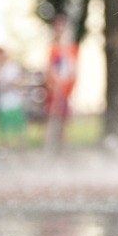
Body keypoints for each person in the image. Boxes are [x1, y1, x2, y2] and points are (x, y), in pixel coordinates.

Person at [45, 15, 78, 153]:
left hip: (65, 90)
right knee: (53, 118)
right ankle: (51, 147)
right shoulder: (53, 49)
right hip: (54, 90)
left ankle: (62, 149)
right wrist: (54, 81)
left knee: (63, 120)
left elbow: (73, 69)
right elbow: (49, 68)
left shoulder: (70, 49)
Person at [0, 48, 28, 147]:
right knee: (4, 126)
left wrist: (11, 84)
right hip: (2, 103)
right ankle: (4, 144)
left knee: (18, 125)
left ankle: (20, 144)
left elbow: (20, 81)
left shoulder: (13, 67)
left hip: (15, 101)